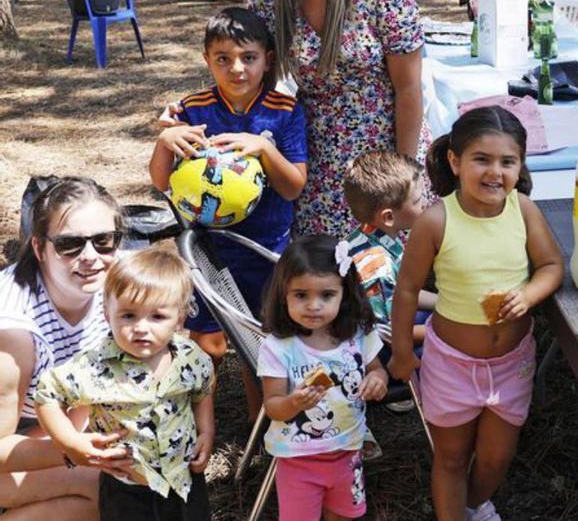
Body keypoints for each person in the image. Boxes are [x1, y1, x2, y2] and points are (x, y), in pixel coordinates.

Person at [387, 106, 563, 521]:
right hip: (451, 363)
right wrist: (400, 351)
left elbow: (552, 266)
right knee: (450, 458)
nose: (494, 172)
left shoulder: (524, 210)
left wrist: (528, 294)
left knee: (496, 458)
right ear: (455, 161)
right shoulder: (436, 220)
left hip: (511, 364)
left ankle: (472, 504)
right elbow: (408, 290)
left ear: (520, 165)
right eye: (481, 159)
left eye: (508, 161)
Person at [248, 0, 434, 239]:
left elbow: (409, 89)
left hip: (387, 153)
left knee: (395, 276)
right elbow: (252, 88)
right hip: (315, 163)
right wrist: (191, 116)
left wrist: (403, 172)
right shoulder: (266, 0)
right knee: (332, 280)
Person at [148, 8, 307, 412]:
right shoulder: (194, 109)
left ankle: (263, 426)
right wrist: (166, 139)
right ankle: (194, 423)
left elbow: (293, 188)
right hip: (208, 250)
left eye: (248, 57)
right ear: (207, 60)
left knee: (263, 342)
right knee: (210, 344)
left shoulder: (284, 111)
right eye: (223, 59)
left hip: (265, 250)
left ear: (267, 59)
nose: (236, 69)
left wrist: (265, 149)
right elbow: (161, 182)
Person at [34, 248, 215, 520]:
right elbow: (47, 395)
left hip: (184, 481)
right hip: (126, 488)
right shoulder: (94, 366)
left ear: (179, 319)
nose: (141, 327)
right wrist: (70, 443)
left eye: (157, 316)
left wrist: (206, 433)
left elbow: (201, 392)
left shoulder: (190, 356)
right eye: (129, 315)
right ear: (108, 314)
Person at [0, 178, 133, 518]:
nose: (91, 257)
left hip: (52, 425)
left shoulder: (122, 284)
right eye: (70, 244)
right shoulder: (14, 331)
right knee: (104, 486)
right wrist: (74, 450)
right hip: (11, 444)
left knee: (119, 487)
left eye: (104, 240)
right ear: (40, 248)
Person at [259, 235, 389, 520]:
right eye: (301, 295)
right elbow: (272, 406)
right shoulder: (279, 348)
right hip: (298, 459)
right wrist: (294, 402)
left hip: (348, 450)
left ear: (344, 294)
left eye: (326, 295)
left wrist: (378, 380)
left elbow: (378, 369)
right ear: (284, 295)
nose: (313, 305)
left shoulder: (358, 334)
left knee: (345, 516)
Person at [342, 150, 434, 335]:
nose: (426, 203)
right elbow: (388, 334)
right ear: (389, 217)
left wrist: (445, 303)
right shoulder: (377, 268)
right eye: (417, 201)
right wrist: (445, 330)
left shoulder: (368, 234)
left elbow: (401, 289)